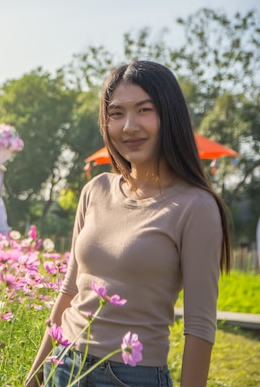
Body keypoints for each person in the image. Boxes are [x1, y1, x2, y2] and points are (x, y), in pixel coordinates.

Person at [25, 60, 232, 387]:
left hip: (128, 377)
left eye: (144, 110)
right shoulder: (96, 190)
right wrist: (35, 375)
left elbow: (199, 326)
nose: (128, 126)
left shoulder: (195, 207)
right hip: (62, 364)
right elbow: (69, 290)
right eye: (116, 113)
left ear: (170, 117)